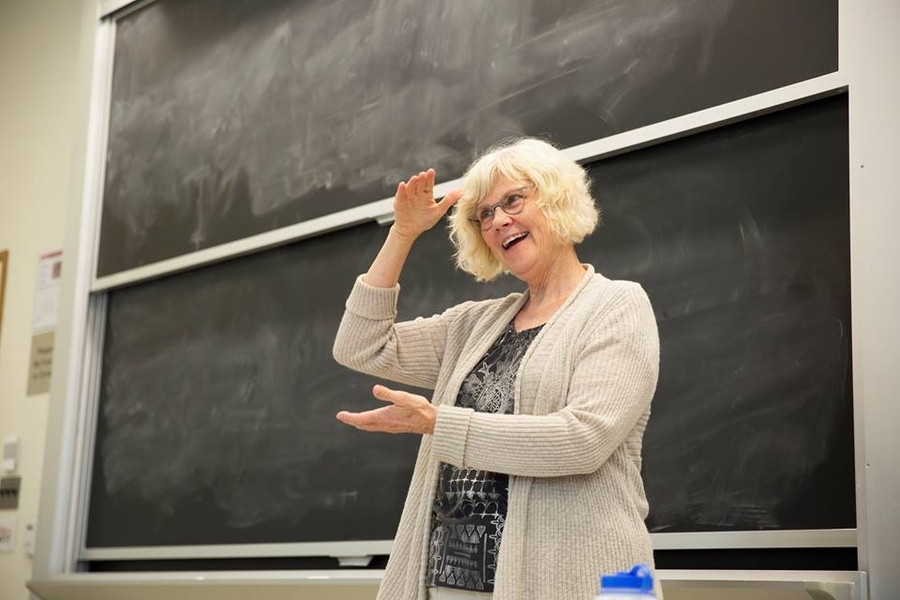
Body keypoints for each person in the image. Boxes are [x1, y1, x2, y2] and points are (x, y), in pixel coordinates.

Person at [332, 137, 661, 600]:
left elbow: (584, 441)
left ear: (555, 199)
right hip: (452, 582)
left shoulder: (616, 305)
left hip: (573, 582)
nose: (499, 220)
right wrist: (402, 234)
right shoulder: (476, 323)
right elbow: (360, 346)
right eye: (484, 214)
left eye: (513, 201)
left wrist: (438, 423)